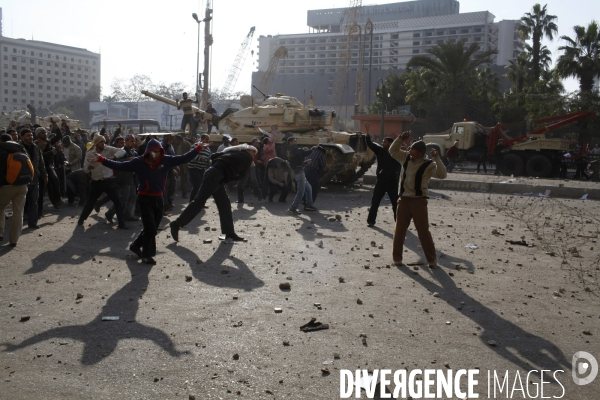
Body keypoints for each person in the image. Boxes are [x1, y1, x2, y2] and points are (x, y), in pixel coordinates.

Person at [93, 138, 206, 265]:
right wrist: (102, 159)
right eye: (154, 152)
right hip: (144, 198)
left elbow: (183, 158)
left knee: (152, 227)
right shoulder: (138, 162)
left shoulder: (165, 160)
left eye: (159, 152)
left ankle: (136, 245)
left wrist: (198, 148)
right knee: (150, 228)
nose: (156, 154)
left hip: (159, 198)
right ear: (148, 152)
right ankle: (147, 254)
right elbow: (119, 166)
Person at [169, 144, 257, 244]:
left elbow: (214, 156)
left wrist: (221, 169)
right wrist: (232, 179)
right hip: (216, 176)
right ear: (248, 150)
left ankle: (229, 233)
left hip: (214, 175)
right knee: (199, 202)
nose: (254, 154)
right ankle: (177, 224)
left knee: (224, 204)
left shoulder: (233, 152)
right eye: (254, 152)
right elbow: (242, 175)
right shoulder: (247, 157)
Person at [389, 132, 447, 268]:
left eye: (412, 150)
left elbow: (442, 174)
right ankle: (397, 258)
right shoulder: (405, 158)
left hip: (418, 202)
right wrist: (400, 138)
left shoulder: (429, 165)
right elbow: (392, 151)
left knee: (423, 231)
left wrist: (437, 158)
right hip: (403, 200)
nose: (410, 151)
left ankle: (432, 260)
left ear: (420, 153)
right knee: (399, 230)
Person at [78, 135, 127, 229]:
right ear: (96, 143)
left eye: (104, 142)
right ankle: (81, 220)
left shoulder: (108, 149)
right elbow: (85, 169)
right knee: (90, 202)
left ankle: (122, 224)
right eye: (101, 142)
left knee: (117, 202)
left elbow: (122, 151)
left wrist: (113, 157)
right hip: (97, 182)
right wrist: (89, 167)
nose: (103, 144)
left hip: (109, 181)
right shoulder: (89, 154)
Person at [364, 122, 400, 227]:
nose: (382, 143)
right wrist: (367, 133)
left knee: (396, 204)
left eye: (385, 142)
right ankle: (371, 221)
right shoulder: (380, 151)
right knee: (375, 202)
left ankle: (399, 223)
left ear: (390, 144)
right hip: (381, 182)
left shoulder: (397, 154)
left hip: (393, 182)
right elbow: (370, 144)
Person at [0, 137, 30, 246]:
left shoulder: (1, 150)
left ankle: (0, 233)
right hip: (22, 185)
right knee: (18, 212)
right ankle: (14, 240)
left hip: (6, 186)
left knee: (1, 208)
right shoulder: (21, 149)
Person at [20, 129, 47, 229]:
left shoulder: (36, 148)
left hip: (35, 179)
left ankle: (33, 223)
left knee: (33, 202)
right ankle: (18, 223)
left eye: (31, 135)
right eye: (28, 136)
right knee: (21, 203)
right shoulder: (18, 148)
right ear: (22, 137)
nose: (30, 137)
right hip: (22, 180)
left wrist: (44, 176)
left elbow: (41, 164)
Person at [286, 137, 317, 215]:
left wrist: (306, 162)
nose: (296, 142)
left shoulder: (290, 151)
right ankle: (293, 208)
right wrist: (312, 149)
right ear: (290, 142)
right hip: (299, 171)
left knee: (308, 188)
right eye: (294, 141)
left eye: (296, 140)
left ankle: (309, 205)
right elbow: (302, 153)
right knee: (301, 191)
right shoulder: (294, 149)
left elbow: (296, 160)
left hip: (298, 170)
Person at [188, 134, 211, 202]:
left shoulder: (208, 149)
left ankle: (199, 202)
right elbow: (192, 155)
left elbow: (209, 157)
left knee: (201, 186)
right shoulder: (196, 145)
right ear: (202, 139)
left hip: (202, 169)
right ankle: (192, 201)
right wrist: (200, 158)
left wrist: (209, 160)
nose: (207, 141)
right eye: (206, 139)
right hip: (194, 168)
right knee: (197, 185)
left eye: (208, 139)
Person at [173, 134, 191, 198]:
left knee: (184, 180)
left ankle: (184, 193)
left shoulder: (187, 144)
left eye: (176, 140)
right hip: (176, 163)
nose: (175, 141)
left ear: (179, 140)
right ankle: (171, 193)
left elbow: (190, 153)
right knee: (173, 179)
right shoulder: (174, 144)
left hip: (184, 164)